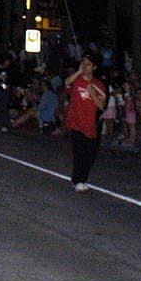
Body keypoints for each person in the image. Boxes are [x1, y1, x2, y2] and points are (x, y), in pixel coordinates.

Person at [63, 53, 106, 190]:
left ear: (94, 67)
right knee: (79, 152)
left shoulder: (98, 85)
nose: (85, 66)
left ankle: (83, 178)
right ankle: (77, 180)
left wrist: (91, 92)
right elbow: (67, 83)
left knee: (90, 155)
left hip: (90, 124)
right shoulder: (77, 81)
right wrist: (78, 72)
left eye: (88, 64)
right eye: (84, 63)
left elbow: (101, 105)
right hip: (76, 122)